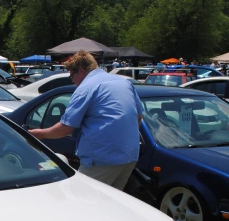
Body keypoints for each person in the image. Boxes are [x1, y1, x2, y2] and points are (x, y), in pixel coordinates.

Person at [28, 51, 143, 190]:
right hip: (130, 155)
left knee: (82, 199)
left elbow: (65, 128)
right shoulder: (123, 82)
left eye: (72, 75)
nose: (72, 81)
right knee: (111, 204)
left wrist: (39, 134)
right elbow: (138, 117)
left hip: (103, 157)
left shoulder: (86, 87)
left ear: (81, 71)